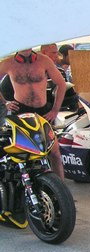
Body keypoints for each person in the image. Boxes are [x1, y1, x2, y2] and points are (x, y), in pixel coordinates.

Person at [0, 48, 66, 179]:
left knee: (54, 152)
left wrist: (55, 110)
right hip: (20, 111)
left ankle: (61, 188)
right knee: (20, 151)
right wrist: (5, 102)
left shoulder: (44, 61)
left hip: (42, 112)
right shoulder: (8, 63)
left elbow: (61, 84)